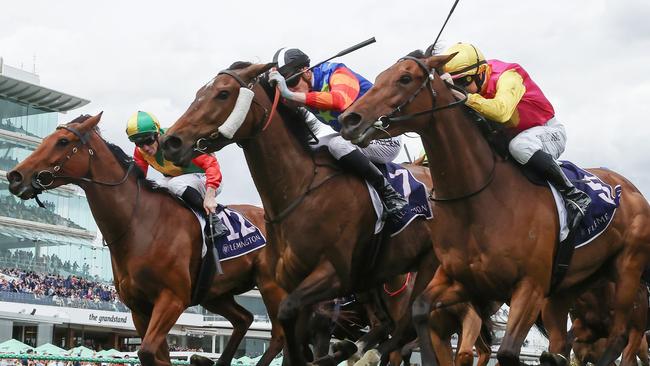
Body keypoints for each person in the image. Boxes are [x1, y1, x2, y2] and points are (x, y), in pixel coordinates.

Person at [442, 42, 591, 233]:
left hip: (547, 132)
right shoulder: (475, 84)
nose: (462, 89)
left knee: (519, 146)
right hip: (511, 136)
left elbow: (501, 113)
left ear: (482, 71)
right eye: (456, 84)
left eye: (464, 82)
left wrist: (465, 97)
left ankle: (574, 194)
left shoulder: (508, 75)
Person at [268, 48, 407, 219]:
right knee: (307, 148)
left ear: (305, 71)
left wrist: (290, 93)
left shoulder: (337, 72)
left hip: (384, 138)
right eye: (286, 85)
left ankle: (389, 193)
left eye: (292, 81)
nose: (291, 90)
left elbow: (340, 100)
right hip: (355, 138)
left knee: (337, 144)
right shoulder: (303, 89)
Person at [125, 111, 228, 239]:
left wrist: (210, 195)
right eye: (139, 143)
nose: (145, 147)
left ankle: (213, 220)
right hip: (180, 181)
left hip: (209, 180)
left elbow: (212, 165)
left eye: (148, 140)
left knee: (175, 184)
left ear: (157, 135)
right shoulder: (140, 152)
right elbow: (137, 180)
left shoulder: (176, 141)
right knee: (154, 188)